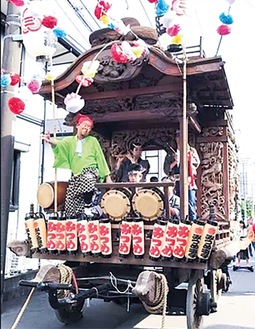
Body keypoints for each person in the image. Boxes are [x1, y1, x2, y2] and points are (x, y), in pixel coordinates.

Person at [43, 114, 112, 217]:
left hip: (90, 172)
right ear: (77, 125)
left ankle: (89, 205)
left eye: (89, 127)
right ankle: (77, 220)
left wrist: (107, 176)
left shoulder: (93, 141)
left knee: (87, 179)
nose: (87, 128)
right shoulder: (70, 141)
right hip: (76, 176)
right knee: (71, 202)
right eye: (85, 125)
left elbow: (100, 158)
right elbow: (59, 145)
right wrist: (50, 141)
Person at [164, 130, 200, 221]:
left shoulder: (192, 151)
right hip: (175, 182)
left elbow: (196, 163)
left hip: (188, 181)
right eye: (178, 137)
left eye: (181, 136)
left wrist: (187, 158)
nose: (180, 139)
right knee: (177, 203)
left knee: (190, 203)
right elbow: (166, 169)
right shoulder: (171, 153)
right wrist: (176, 161)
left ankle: (192, 222)